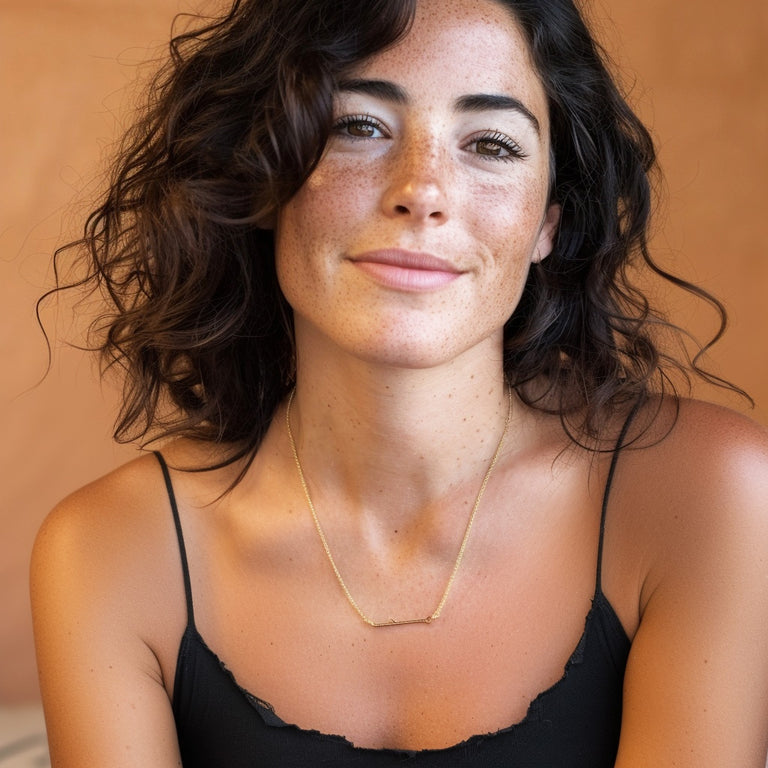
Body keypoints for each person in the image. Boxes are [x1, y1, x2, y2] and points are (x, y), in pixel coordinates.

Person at [30, 0, 768, 765]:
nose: (424, 189)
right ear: (261, 174)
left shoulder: (704, 495)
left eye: (490, 143)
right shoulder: (110, 554)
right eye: (360, 126)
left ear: (549, 218)